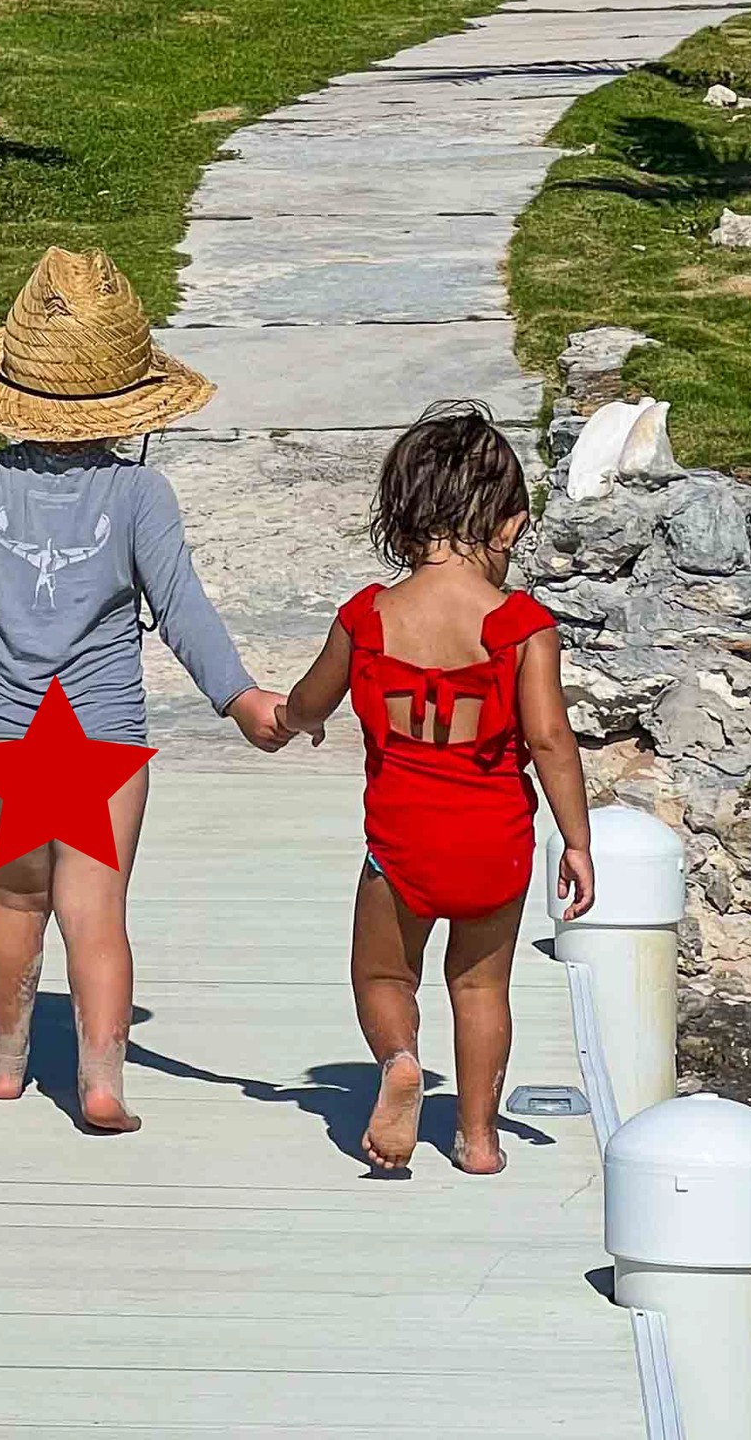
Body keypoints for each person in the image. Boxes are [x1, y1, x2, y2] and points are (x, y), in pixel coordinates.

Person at [0, 246, 294, 1135]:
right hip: (104, 738)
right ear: (126, 403)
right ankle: (100, 1083)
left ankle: (5, 1066)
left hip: (10, 735)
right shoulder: (140, 494)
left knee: (16, 899)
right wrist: (239, 698)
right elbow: (182, 609)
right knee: (96, 911)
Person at [280, 400, 596, 1177]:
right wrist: (578, 841)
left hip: (401, 841)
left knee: (384, 973)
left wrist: (290, 718)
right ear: (512, 526)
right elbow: (551, 740)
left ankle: (397, 1061)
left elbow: (312, 700)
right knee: (482, 986)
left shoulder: (369, 617)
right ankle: (481, 1140)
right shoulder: (521, 628)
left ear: (402, 516)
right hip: (493, 843)